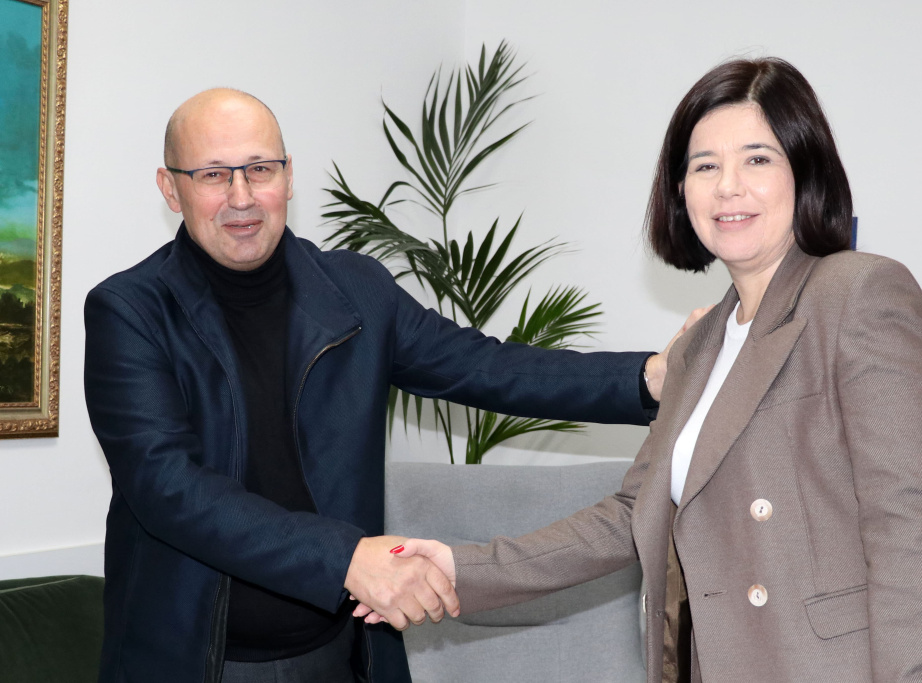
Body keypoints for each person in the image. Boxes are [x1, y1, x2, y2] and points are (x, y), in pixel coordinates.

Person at [378, 58, 922, 681]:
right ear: (680, 192)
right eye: (705, 166)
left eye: (758, 159)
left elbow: (913, 525)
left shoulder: (858, 292)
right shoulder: (696, 348)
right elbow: (628, 515)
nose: (728, 187)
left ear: (805, 172)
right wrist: (459, 568)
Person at [82, 88, 690, 683]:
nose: (242, 197)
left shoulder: (354, 289)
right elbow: (169, 487)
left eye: (260, 169)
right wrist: (346, 559)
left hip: (339, 651)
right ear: (171, 188)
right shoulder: (129, 311)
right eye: (214, 175)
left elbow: (485, 366)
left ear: (288, 176)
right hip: (195, 661)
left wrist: (646, 377)